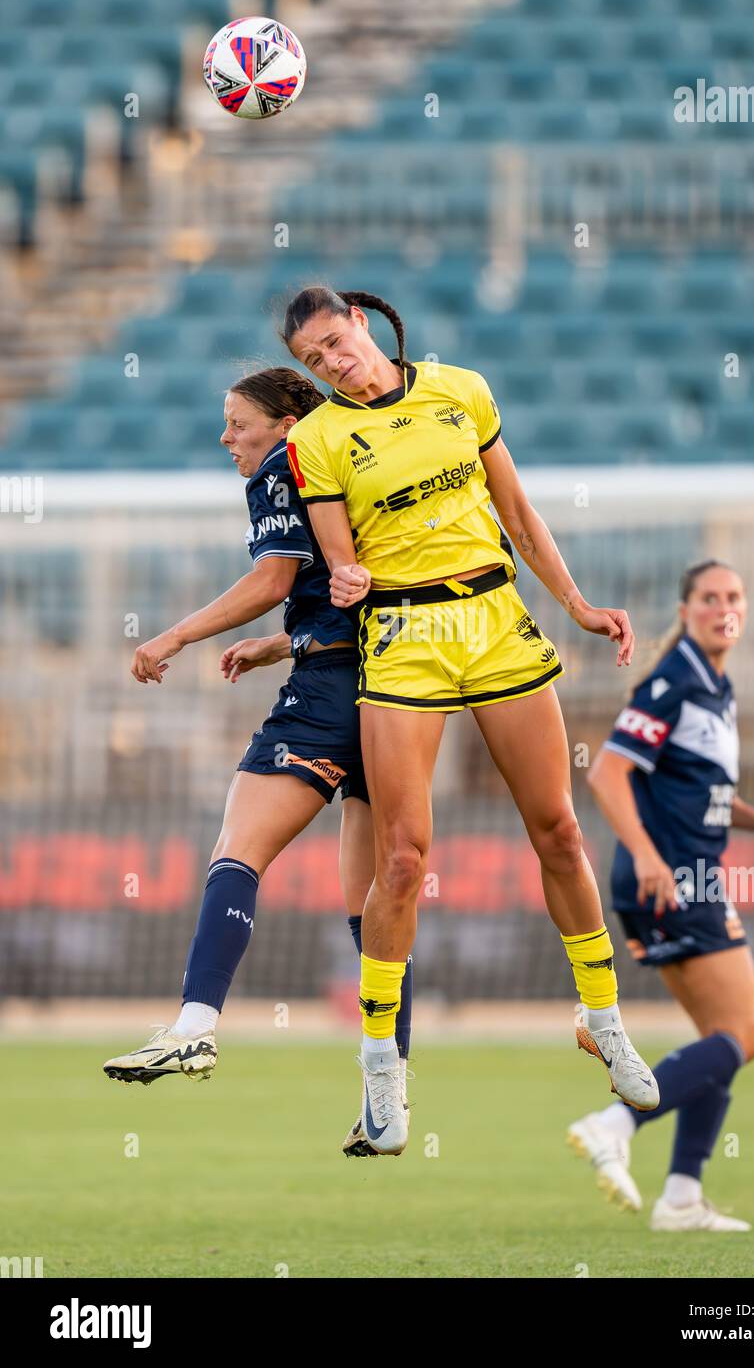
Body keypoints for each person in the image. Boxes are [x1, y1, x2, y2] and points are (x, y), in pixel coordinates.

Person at [280, 285, 660, 1157]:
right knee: (404, 857)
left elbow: (518, 514)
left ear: (363, 328)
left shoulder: (464, 390)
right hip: (405, 636)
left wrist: (577, 602)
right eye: (314, 360)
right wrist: (343, 580)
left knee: (559, 831)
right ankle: (383, 1068)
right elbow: (342, 559)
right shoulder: (317, 440)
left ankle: (602, 1019)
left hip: (496, 623)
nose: (332, 363)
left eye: (336, 343)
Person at [102, 367, 413, 1157]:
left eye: (237, 422)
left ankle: (195, 1026)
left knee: (238, 851)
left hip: (328, 697)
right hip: (397, 688)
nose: (226, 437)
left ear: (284, 422)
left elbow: (272, 577)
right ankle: (388, 1098)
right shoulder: (353, 462)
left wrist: (173, 636)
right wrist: (285, 639)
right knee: (372, 905)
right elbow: (348, 586)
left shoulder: (288, 466)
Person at [568, 559, 754, 1230]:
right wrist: (647, 855)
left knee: (721, 1040)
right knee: (744, 1035)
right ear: (686, 609)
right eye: (709, 597)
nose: (723, 607)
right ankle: (612, 1122)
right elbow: (608, 776)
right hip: (671, 876)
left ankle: (680, 1197)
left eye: (735, 596)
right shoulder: (672, 681)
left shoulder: (715, 688)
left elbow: (704, 794)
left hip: (683, 872)